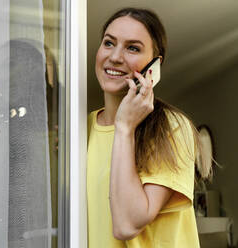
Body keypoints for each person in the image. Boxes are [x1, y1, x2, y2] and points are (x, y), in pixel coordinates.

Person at [87, 7, 212, 248]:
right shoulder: (80, 129)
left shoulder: (172, 127)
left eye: (132, 48)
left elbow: (126, 224)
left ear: (155, 65)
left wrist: (124, 127)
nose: (115, 57)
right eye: (109, 43)